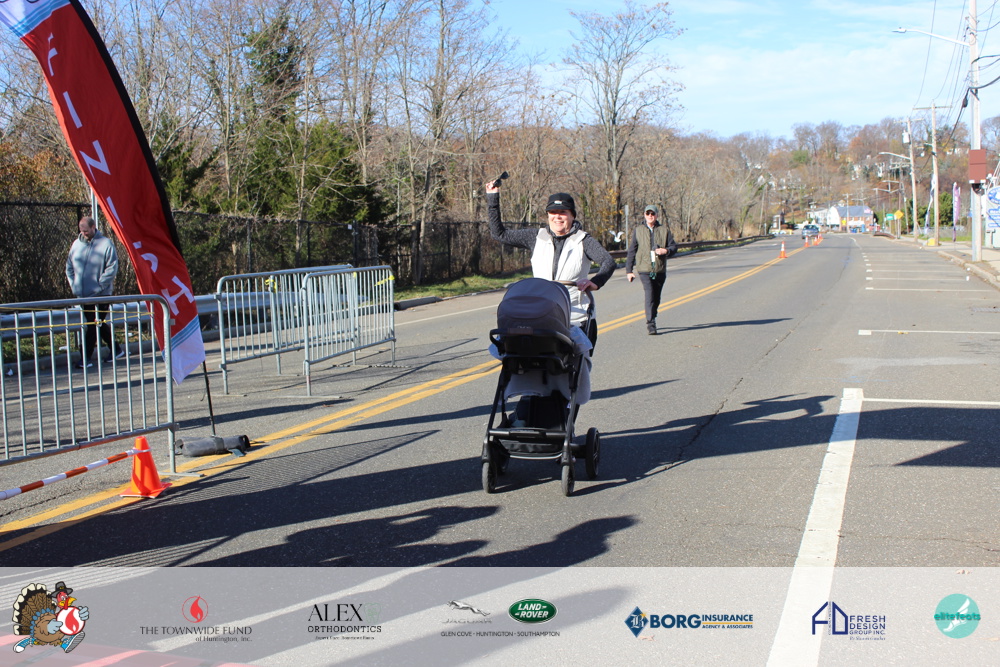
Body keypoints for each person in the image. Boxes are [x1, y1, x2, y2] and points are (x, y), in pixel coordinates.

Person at [485, 182, 615, 344]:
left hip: (575, 317)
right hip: (541, 315)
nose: (557, 217)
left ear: (572, 215)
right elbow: (499, 234)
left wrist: (595, 282)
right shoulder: (536, 237)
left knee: (577, 357)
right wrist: (493, 198)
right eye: (553, 212)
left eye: (563, 212)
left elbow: (608, 261)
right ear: (547, 215)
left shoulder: (583, 240)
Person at [66, 216, 121, 368]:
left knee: (93, 324)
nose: (84, 234)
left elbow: (112, 267)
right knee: (98, 323)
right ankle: (116, 349)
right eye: (81, 231)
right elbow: (69, 267)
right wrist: (74, 285)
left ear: (93, 227)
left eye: (86, 231)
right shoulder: (76, 245)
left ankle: (85, 358)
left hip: (101, 295)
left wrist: (100, 285)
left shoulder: (106, 244)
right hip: (83, 295)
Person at [625, 204, 677, 335]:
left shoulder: (664, 230)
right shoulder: (638, 230)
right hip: (644, 269)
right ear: (644, 215)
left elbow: (674, 247)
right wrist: (629, 271)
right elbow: (632, 251)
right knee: (649, 294)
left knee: (656, 297)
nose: (650, 216)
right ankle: (651, 323)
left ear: (657, 215)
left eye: (652, 214)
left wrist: (666, 250)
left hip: (659, 269)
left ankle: (653, 313)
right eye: (648, 213)